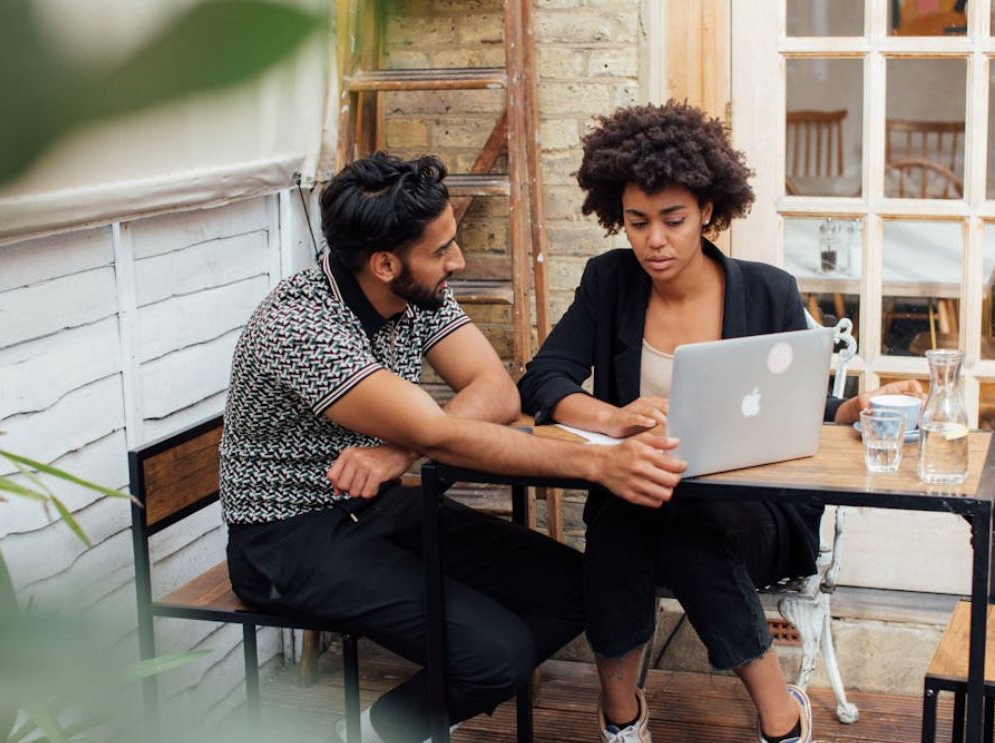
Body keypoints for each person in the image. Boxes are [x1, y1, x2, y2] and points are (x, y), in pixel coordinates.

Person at [219, 151, 687, 743]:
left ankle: (402, 722)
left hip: (379, 505)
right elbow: (441, 435)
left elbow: (494, 389)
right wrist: (599, 462)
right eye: (441, 250)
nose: (458, 261)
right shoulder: (301, 327)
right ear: (385, 263)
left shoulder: (414, 292)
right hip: (289, 539)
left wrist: (400, 451)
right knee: (496, 655)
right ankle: (374, 731)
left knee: (581, 588)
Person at [518, 101, 923, 743]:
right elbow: (543, 381)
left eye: (673, 220)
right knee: (626, 521)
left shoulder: (767, 291)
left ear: (708, 210)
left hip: (755, 512)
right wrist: (614, 418)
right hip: (644, 494)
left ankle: (779, 716)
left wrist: (850, 408)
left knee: (683, 525)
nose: (654, 240)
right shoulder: (609, 283)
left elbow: (790, 409)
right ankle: (625, 718)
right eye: (637, 222)